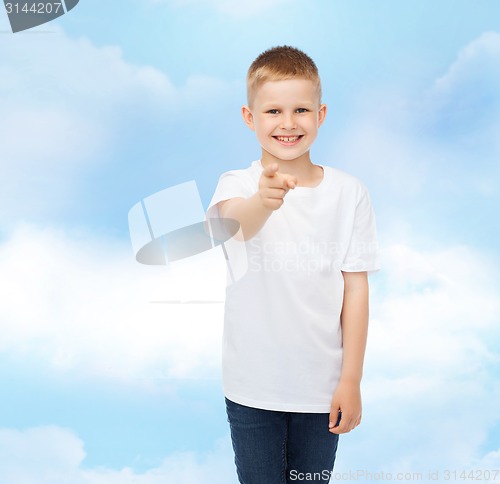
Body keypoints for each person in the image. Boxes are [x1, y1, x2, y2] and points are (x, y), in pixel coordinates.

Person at [205, 45, 380, 484]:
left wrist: (351, 380)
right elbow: (233, 225)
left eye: (301, 109)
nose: (288, 123)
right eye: (273, 111)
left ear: (321, 114)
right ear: (250, 117)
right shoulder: (238, 184)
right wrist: (263, 200)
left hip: (322, 390)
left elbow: (355, 289)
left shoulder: (349, 191)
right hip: (251, 386)